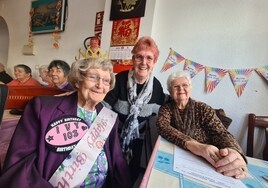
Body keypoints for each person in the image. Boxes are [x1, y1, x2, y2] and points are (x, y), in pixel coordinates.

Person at [0, 57, 132, 188]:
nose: (100, 85)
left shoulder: (108, 118)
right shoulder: (43, 108)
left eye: (106, 81)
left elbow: (117, 160)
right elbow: (20, 163)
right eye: (93, 77)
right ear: (78, 80)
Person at [156, 71, 247, 179]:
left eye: (184, 85)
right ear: (170, 91)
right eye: (176, 86)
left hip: (209, 159)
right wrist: (195, 145)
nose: (181, 89)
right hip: (179, 158)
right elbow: (163, 126)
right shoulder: (166, 108)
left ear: (190, 88)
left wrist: (234, 150)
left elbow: (220, 132)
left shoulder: (203, 108)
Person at [103, 36, 167, 184]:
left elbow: (164, 108)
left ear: (154, 62)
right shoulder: (119, 80)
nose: (144, 62)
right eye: (139, 57)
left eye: (149, 58)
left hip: (139, 139)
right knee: (109, 174)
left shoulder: (156, 87)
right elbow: (104, 108)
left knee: (130, 177)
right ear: (133, 59)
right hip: (113, 136)